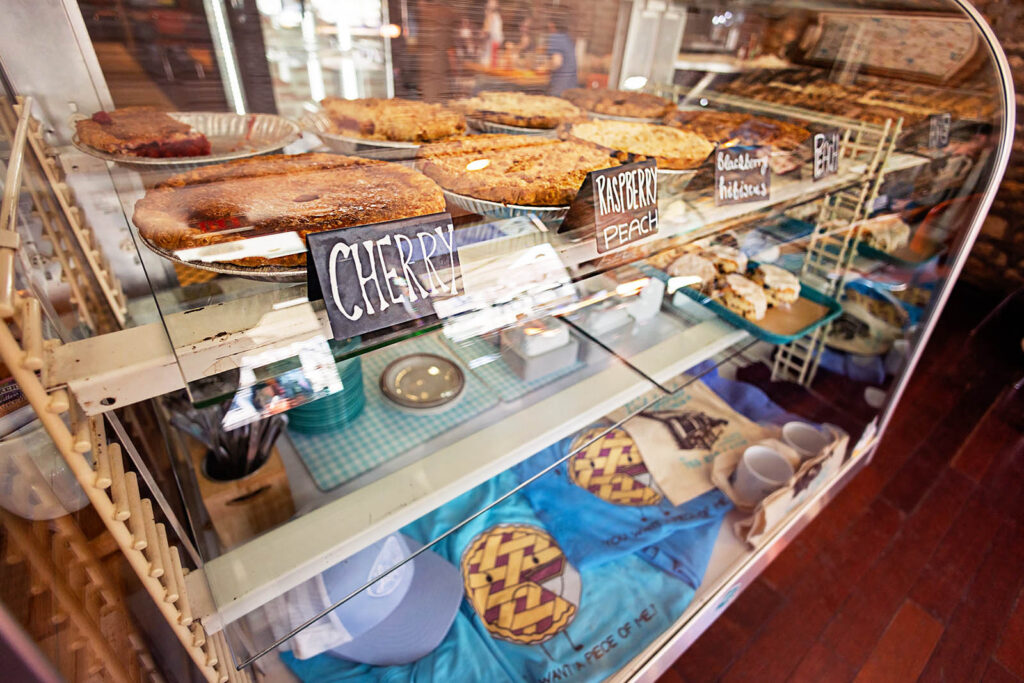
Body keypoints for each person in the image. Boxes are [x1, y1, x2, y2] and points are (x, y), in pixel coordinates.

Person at [544, 13, 577, 95]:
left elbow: (557, 62)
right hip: (570, 89)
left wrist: (545, 67)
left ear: (552, 24)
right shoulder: (566, 37)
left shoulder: (555, 37)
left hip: (559, 90)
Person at [481, 0, 504, 67]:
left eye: (493, 1)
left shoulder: (496, 18)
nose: (490, 2)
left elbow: (498, 39)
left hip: (490, 57)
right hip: (485, 55)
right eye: (489, 1)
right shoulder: (488, 17)